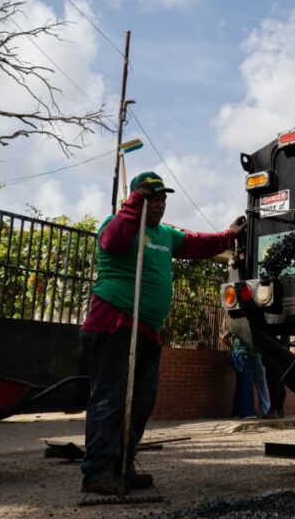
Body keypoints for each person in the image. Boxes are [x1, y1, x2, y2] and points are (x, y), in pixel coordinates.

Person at [80, 172, 245, 495]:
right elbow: (112, 243)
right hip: (114, 325)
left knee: (140, 402)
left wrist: (229, 236)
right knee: (111, 400)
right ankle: (97, 473)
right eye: (153, 198)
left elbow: (198, 244)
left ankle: (122, 468)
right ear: (137, 199)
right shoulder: (118, 224)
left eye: (163, 198)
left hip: (147, 331)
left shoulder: (165, 234)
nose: (161, 204)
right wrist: (132, 207)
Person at [225, 331, 269, 419]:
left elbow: (224, 337)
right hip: (245, 355)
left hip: (238, 354)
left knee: (240, 385)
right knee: (247, 384)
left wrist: (233, 348)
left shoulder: (235, 327)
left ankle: (237, 413)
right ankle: (247, 413)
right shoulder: (244, 325)